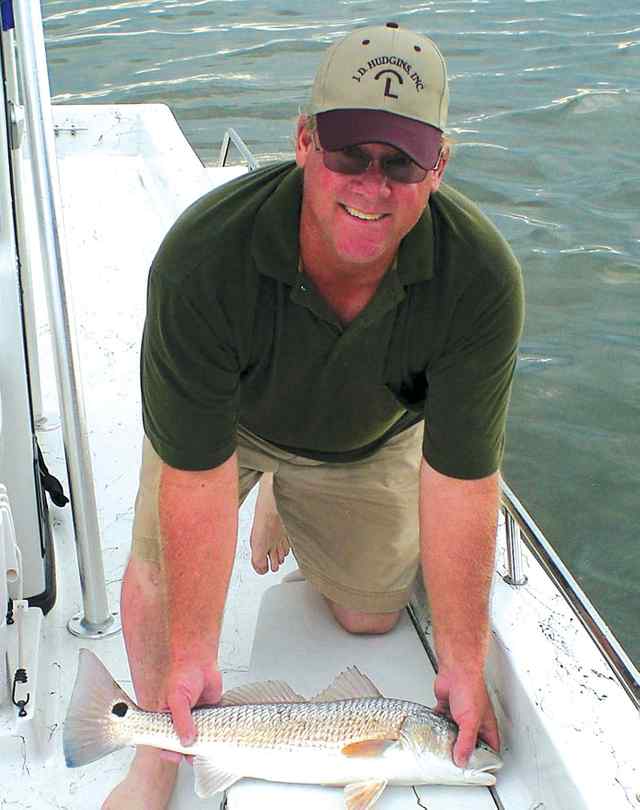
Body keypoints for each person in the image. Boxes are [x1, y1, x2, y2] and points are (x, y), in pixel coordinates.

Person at [102, 21, 524, 810]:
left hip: (367, 437)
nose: (371, 186)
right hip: (227, 427)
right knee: (157, 572)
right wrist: (194, 652)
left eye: (400, 162)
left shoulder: (480, 278)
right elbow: (194, 477)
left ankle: (287, 494)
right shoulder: (201, 261)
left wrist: (464, 662)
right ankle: (156, 749)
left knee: (368, 619)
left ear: (438, 165)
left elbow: (463, 479)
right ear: (303, 142)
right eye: (348, 154)